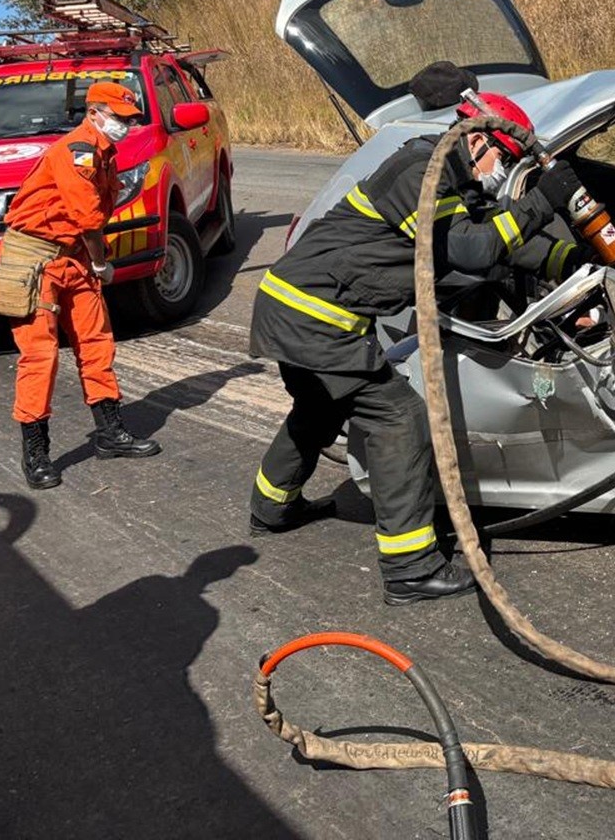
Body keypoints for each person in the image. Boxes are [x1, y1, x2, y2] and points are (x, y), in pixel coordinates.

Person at [246, 69, 583, 604]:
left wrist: (572, 259)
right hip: (313, 319)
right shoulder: (422, 169)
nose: (505, 172)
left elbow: (491, 241)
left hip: (293, 312)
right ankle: (409, 566)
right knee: (397, 418)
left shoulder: (450, 177)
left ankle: (271, 506)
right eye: (505, 159)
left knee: (318, 409)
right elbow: (473, 250)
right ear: (478, 139)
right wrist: (545, 202)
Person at [4, 78, 159, 487]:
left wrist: (88, 260)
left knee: (96, 344)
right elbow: (90, 220)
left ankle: (110, 433)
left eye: (130, 118)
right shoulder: (78, 151)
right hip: (34, 258)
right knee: (40, 357)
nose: (125, 125)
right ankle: (35, 454)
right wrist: (101, 264)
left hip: (72, 256)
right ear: (94, 113)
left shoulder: (104, 152)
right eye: (119, 118)